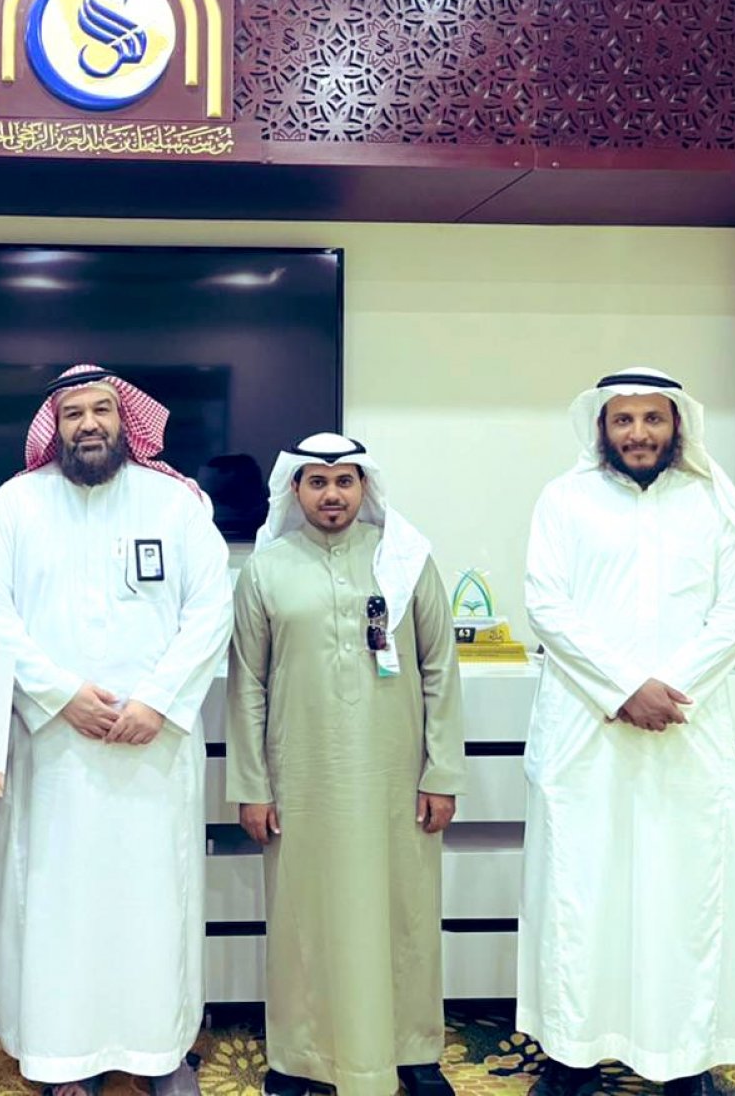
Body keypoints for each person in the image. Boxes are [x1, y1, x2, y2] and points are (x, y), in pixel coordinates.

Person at [0, 365, 233, 1096]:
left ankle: (148, 1054)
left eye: (102, 410)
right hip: (54, 751)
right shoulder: (13, 506)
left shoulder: (175, 505)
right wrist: (61, 696)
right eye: (73, 412)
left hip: (153, 750)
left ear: (125, 420)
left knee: (152, 902)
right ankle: (61, 1059)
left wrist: (158, 701)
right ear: (54, 427)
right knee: (56, 905)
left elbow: (212, 609)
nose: (89, 424)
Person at [518, 368, 735, 1096]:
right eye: (623, 420)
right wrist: (623, 688)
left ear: (677, 425)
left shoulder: (712, 504)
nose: (638, 433)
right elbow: (546, 604)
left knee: (683, 897)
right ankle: (572, 1056)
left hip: (683, 731)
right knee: (580, 894)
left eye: (652, 419)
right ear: (601, 428)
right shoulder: (564, 500)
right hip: (587, 732)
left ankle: (684, 1060)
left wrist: (668, 689)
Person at [228, 432, 465, 1096]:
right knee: (303, 917)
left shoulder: (406, 561)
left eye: (343, 481)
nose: (331, 494)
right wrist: (251, 786)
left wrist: (442, 773)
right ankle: (299, 1055)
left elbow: (440, 669)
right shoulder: (265, 569)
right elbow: (247, 684)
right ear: (295, 490)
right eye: (317, 482)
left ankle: (412, 1051)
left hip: (395, 777)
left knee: (404, 912)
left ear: (364, 487)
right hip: (299, 779)